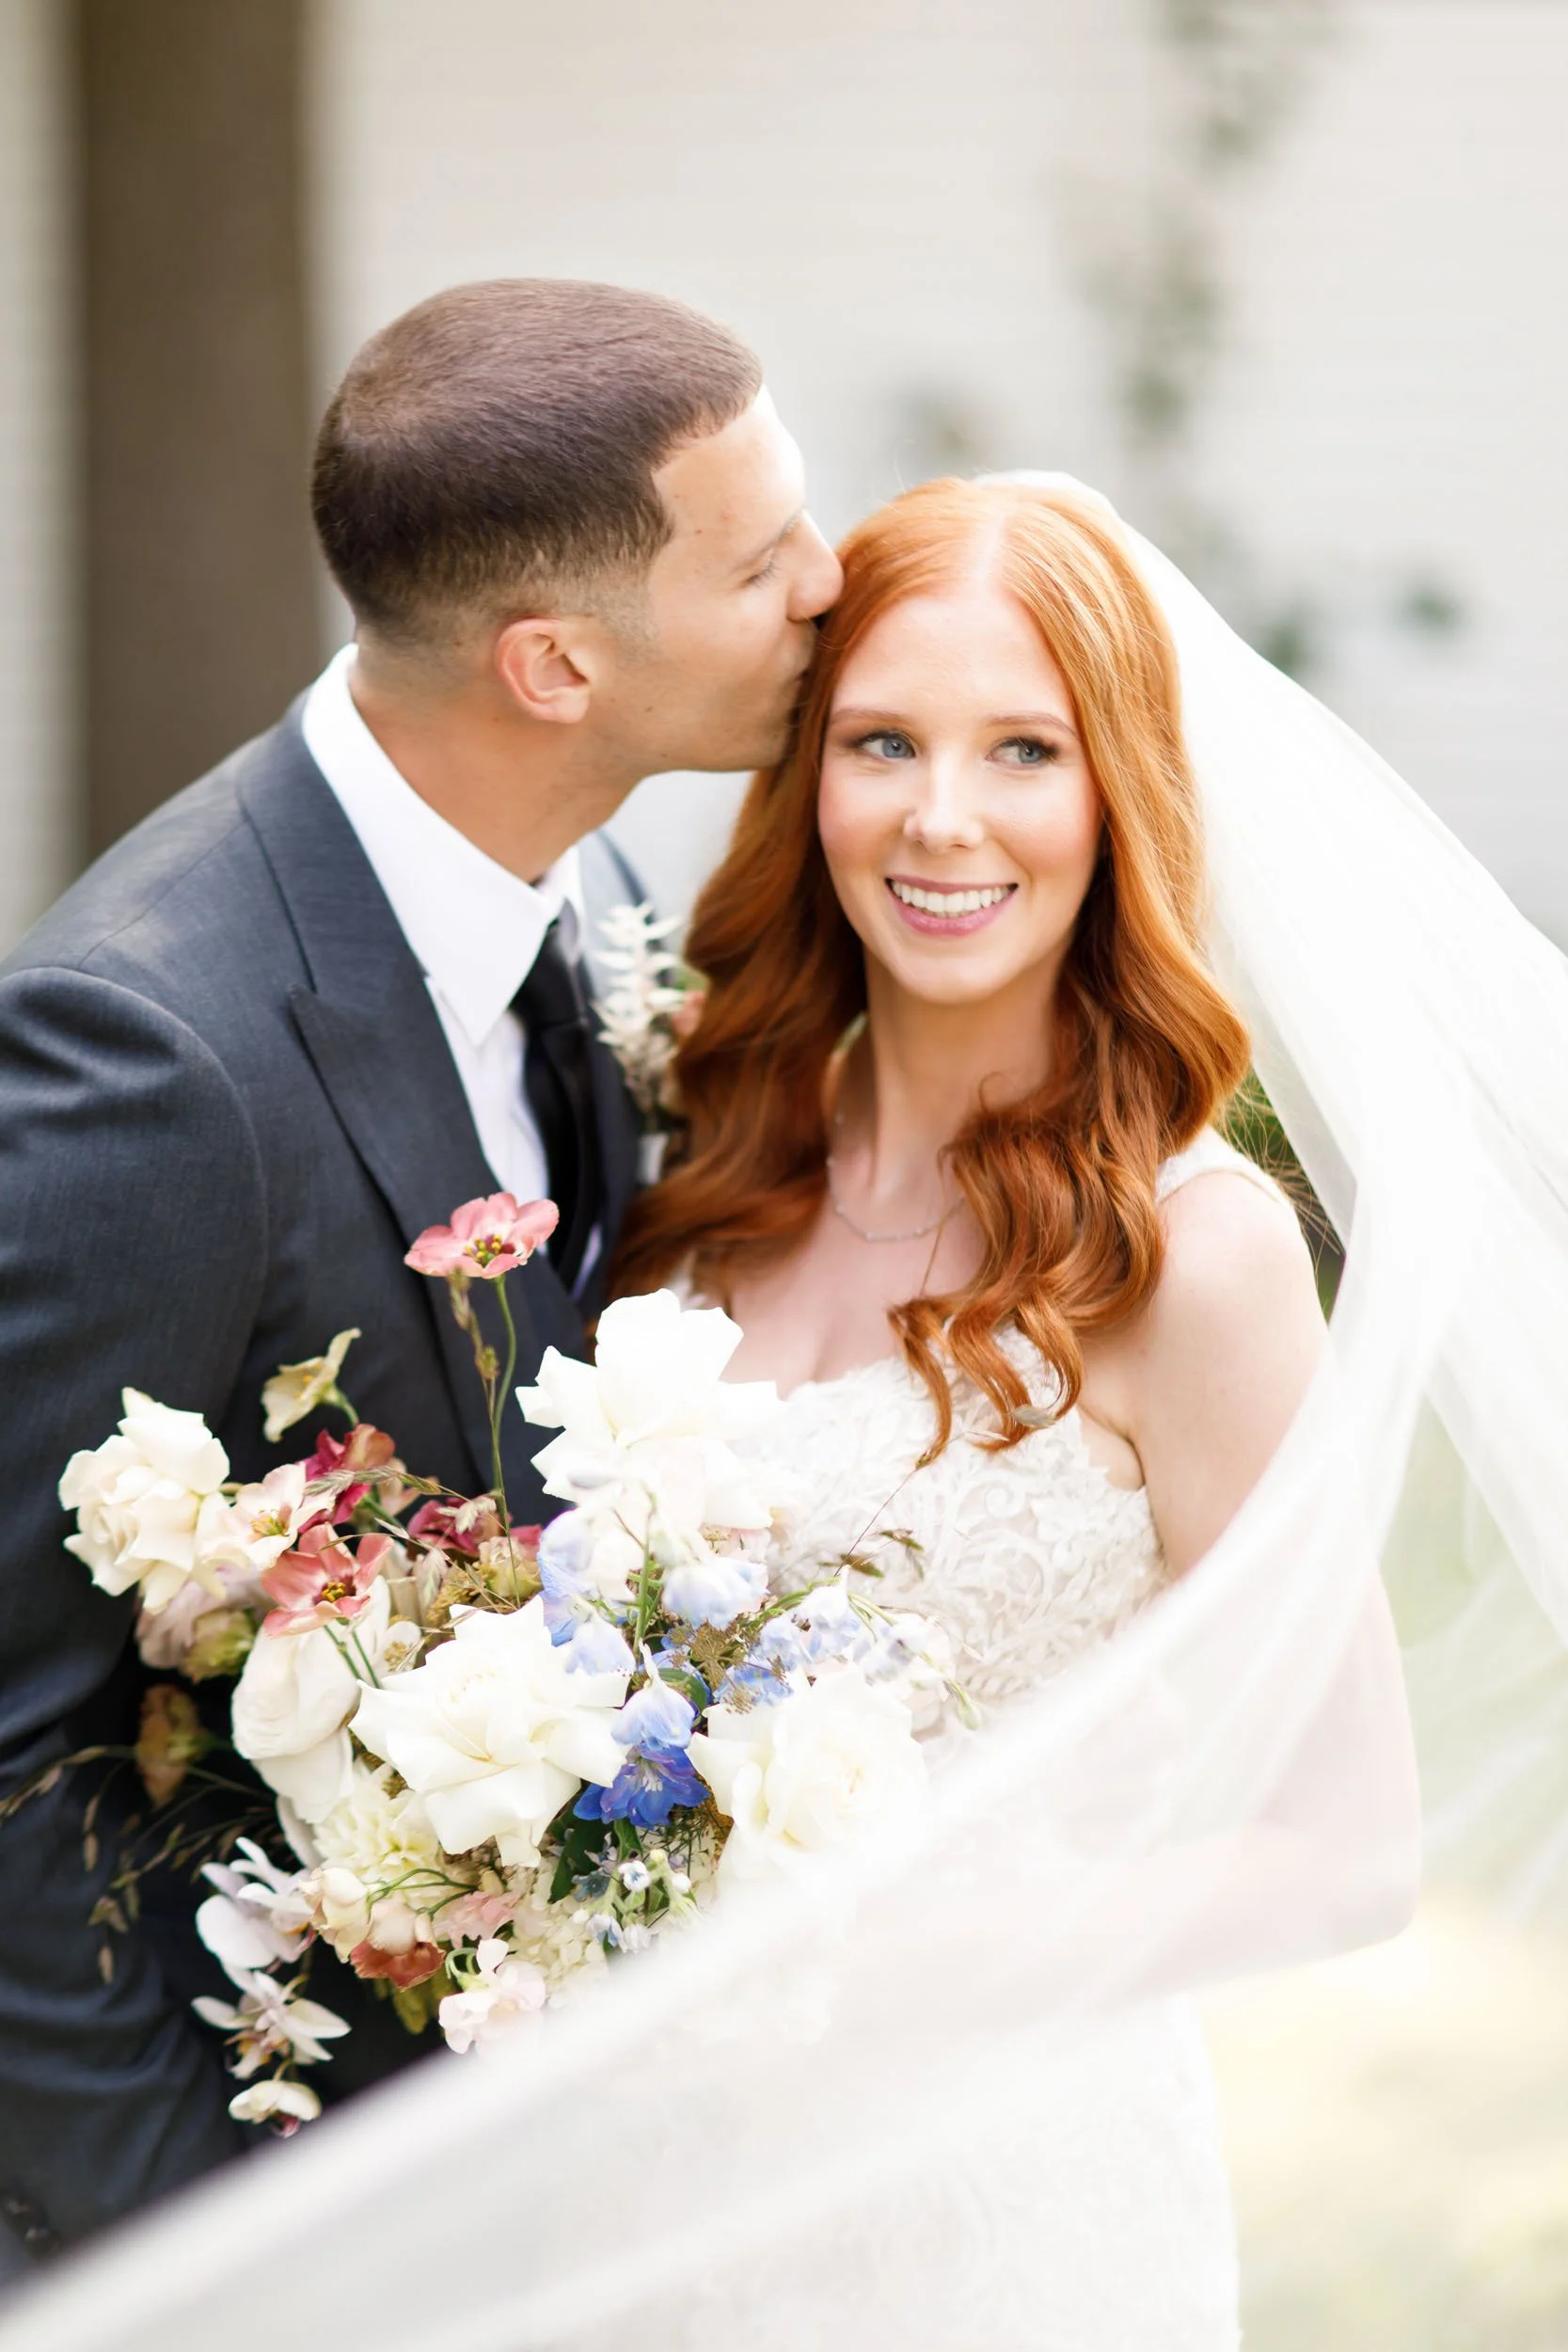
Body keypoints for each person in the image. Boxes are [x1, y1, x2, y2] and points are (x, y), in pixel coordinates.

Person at [0, 277, 842, 2255]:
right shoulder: (144, 1054)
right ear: (552, 663)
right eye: (761, 561)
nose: (828, 579)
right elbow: (14, 1747)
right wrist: (213, 2267)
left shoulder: (598, 893)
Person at [609, 474, 1420, 2346]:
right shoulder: (699, 1173)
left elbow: (1350, 1842)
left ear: (1111, 793)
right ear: (808, 778)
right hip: (652, 2193)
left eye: (1021, 749)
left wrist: (876, 1959)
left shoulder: (1190, 1256)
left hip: (999, 2204)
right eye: (881, 739)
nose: (940, 814)